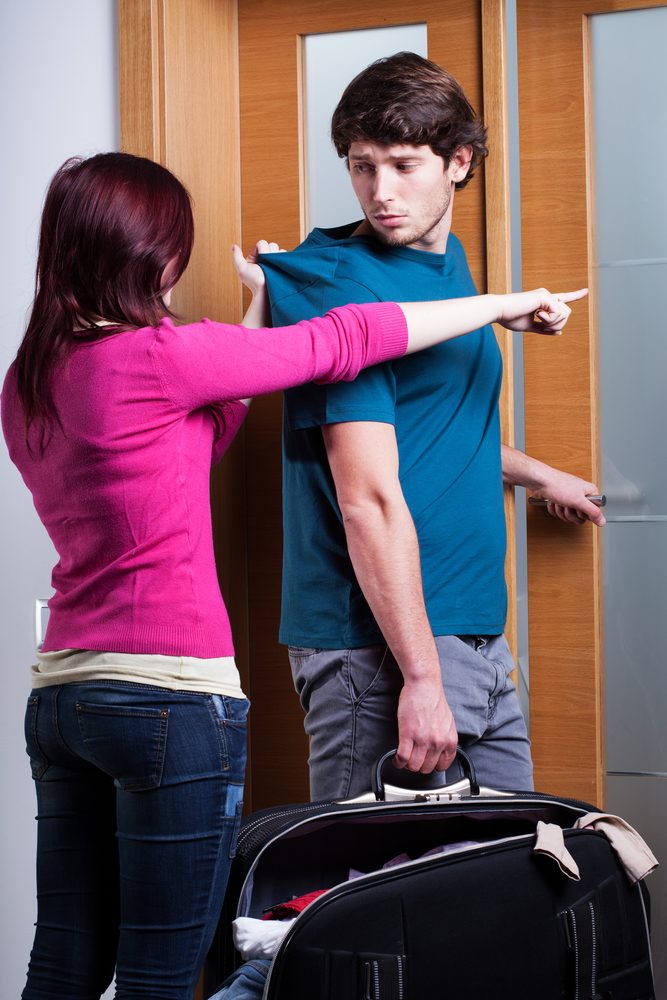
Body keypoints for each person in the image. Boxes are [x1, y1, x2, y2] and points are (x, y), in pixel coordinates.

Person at [1, 150, 579, 1000]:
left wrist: (257, 304)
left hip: (64, 700)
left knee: (64, 962)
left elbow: (199, 431)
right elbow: (346, 340)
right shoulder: (158, 356)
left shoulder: (29, 380)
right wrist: (502, 304)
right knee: (165, 973)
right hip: (168, 699)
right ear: (146, 254)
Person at [255, 52, 606, 802]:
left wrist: (538, 474)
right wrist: (419, 676)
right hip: (381, 648)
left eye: (403, 165)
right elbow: (365, 497)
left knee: (512, 875)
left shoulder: (446, 272)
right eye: (360, 166)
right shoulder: (330, 282)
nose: (381, 193)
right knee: (372, 899)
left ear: (458, 162)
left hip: (474, 630)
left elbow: (428, 425)